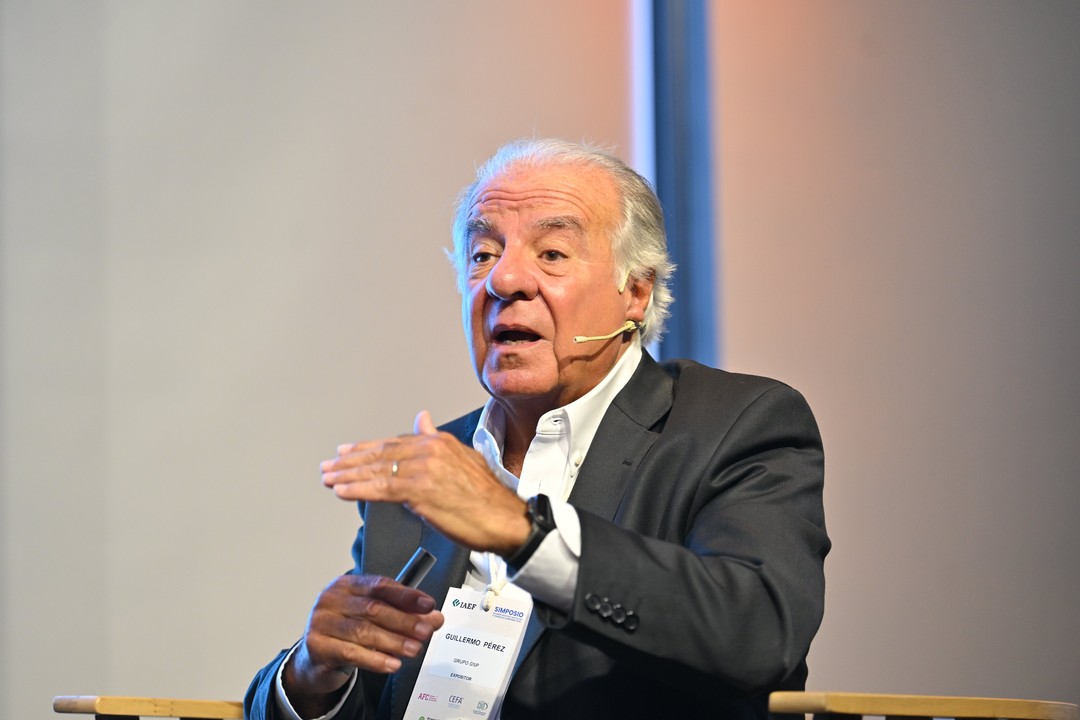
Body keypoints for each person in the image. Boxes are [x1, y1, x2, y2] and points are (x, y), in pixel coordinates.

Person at [245, 138, 829, 720]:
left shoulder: (736, 426)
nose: (504, 280)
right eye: (482, 254)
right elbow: (377, 699)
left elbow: (757, 633)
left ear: (636, 291)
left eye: (551, 253)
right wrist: (313, 677)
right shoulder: (430, 472)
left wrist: (525, 533)